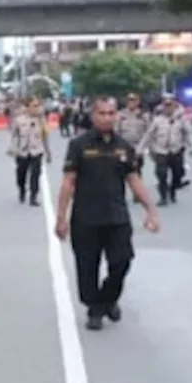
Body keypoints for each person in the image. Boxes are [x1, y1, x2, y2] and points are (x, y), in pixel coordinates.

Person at [56, 97, 160, 331]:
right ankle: (94, 308)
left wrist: (150, 211)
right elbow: (68, 182)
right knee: (87, 267)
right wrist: (61, 218)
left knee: (122, 262)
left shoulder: (124, 147)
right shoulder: (79, 145)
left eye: (111, 113)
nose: (107, 117)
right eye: (102, 113)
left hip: (117, 217)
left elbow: (134, 180)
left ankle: (108, 298)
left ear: (117, 116)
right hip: (86, 218)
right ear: (93, 116)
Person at [137, 98, 192, 206]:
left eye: (170, 106)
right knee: (161, 174)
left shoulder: (180, 120)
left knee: (178, 173)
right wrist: (140, 149)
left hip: (176, 150)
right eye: (166, 106)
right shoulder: (157, 120)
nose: (168, 108)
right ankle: (163, 197)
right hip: (161, 151)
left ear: (174, 107)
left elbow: (187, 134)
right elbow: (148, 135)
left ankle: (172, 189)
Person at [7, 97, 52, 206]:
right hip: (22, 151)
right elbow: (14, 135)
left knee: (35, 174)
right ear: (27, 107)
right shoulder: (19, 120)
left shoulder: (41, 120)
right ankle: (22, 189)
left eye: (38, 106)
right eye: (34, 106)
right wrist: (13, 149)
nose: (37, 108)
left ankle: (33, 197)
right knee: (21, 174)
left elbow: (45, 136)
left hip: (36, 150)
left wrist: (48, 152)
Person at [114, 94, 150, 200]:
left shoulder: (143, 115)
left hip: (138, 145)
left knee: (137, 169)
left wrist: (145, 146)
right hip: (124, 145)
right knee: (121, 169)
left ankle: (137, 193)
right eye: (129, 100)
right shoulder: (121, 115)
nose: (131, 102)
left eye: (134, 100)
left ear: (138, 102)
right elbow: (116, 130)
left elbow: (148, 132)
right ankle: (121, 192)